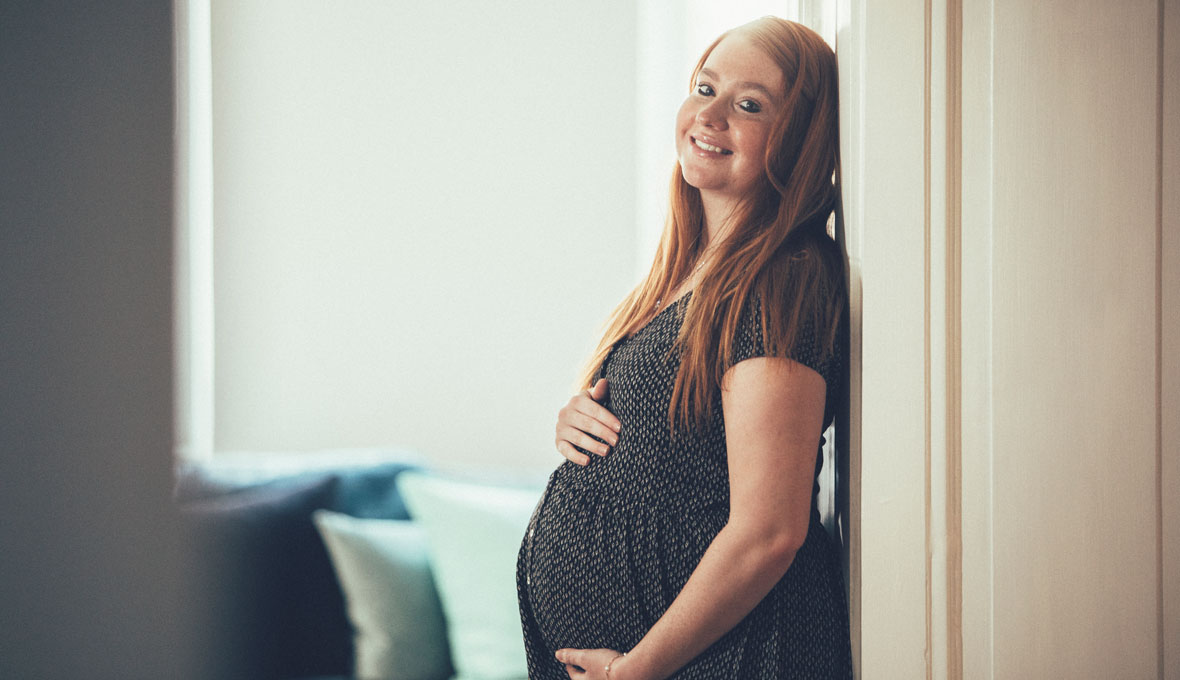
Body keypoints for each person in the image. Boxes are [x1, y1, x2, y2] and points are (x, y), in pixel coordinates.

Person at [517, 16, 852, 680]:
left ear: (800, 138)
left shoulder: (781, 280)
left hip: (728, 659)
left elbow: (769, 531)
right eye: (705, 88)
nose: (712, 114)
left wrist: (638, 668)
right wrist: (579, 424)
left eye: (750, 104)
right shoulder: (690, 273)